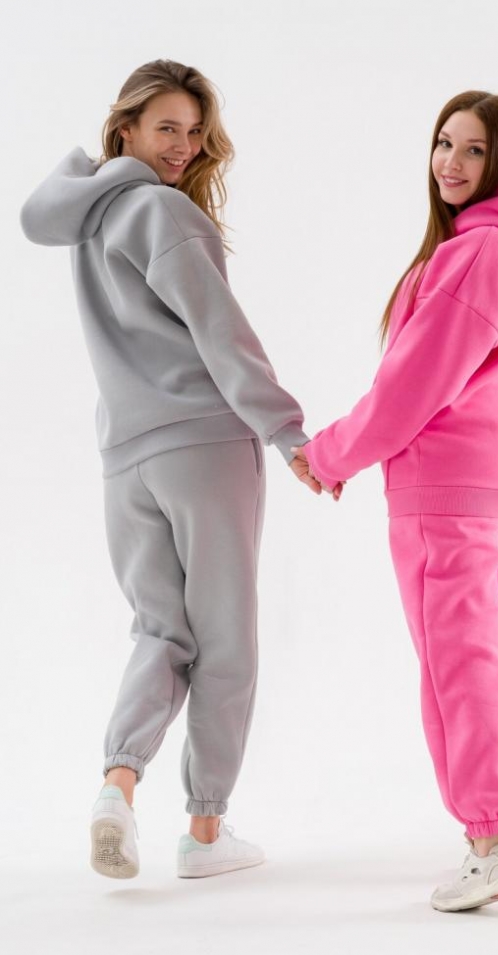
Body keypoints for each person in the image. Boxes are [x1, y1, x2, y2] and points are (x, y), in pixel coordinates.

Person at [20, 59, 327, 881]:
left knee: (160, 631)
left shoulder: (88, 224)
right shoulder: (163, 214)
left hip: (126, 458)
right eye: (167, 128)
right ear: (124, 128)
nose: (185, 145)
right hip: (204, 449)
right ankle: (204, 830)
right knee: (225, 637)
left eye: (194, 131)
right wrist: (287, 432)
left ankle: (117, 785)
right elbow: (223, 334)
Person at [292, 90, 498, 912]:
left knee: (460, 666)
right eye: (444, 142)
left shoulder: (479, 252)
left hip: (450, 489)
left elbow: (413, 384)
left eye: (474, 149)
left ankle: (490, 840)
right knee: (491, 658)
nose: (449, 161)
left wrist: (331, 452)